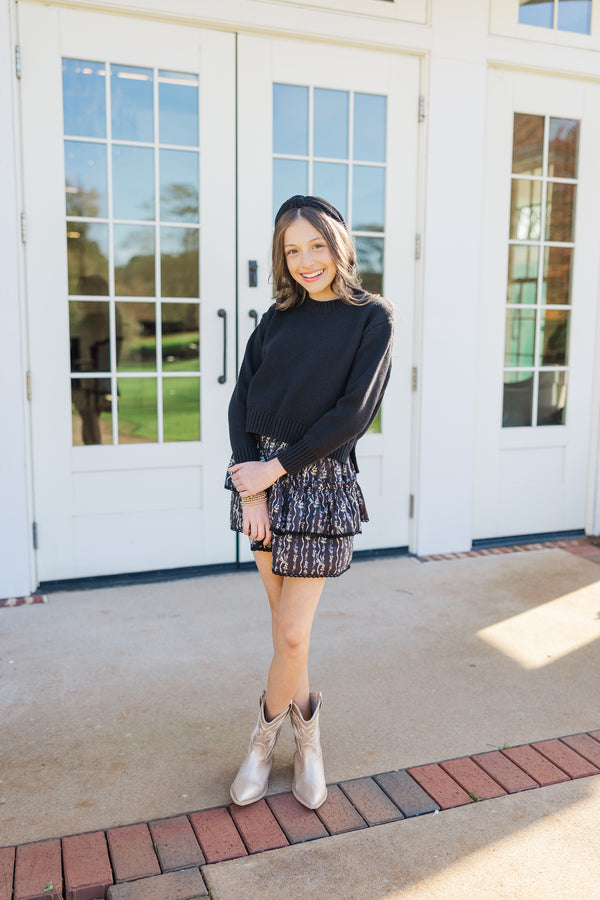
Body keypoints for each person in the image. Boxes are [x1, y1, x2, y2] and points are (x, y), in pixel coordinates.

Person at [225, 194, 394, 809]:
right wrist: (253, 488)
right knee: (284, 633)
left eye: (316, 245)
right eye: (292, 250)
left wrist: (276, 469)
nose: (305, 260)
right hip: (260, 487)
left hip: (318, 482)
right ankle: (306, 734)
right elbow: (241, 402)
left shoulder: (371, 318)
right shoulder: (275, 319)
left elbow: (352, 415)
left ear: (339, 244)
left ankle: (266, 745)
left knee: (292, 638)